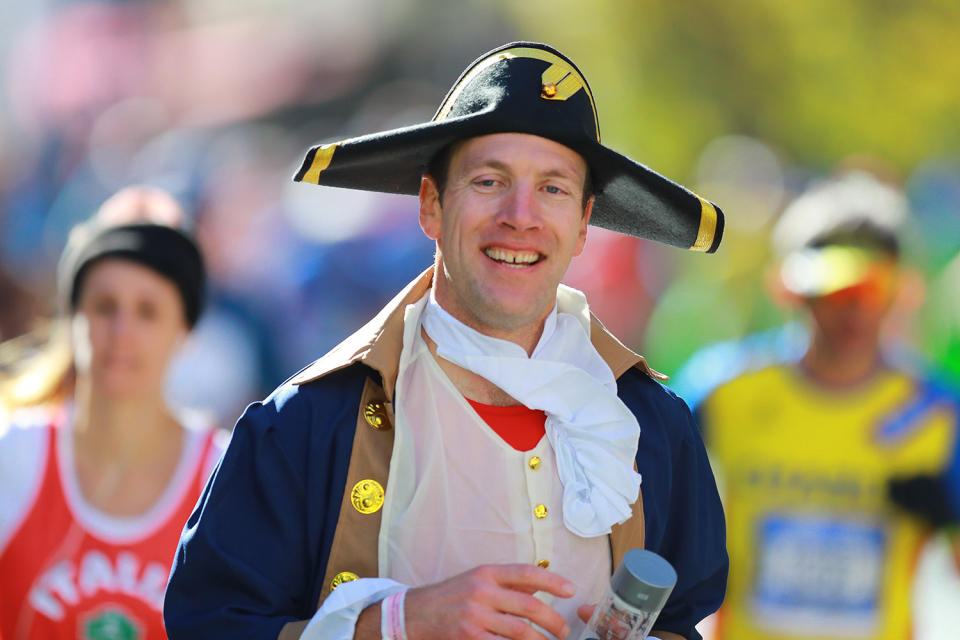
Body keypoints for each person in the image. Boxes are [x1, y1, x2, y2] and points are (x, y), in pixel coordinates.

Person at [163, 41, 728, 640]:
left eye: (553, 189)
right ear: (431, 206)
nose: (520, 215)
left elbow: (685, 619)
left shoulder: (652, 427)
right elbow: (209, 624)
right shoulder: (308, 424)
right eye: (489, 181)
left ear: (584, 224)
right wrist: (393, 624)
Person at [687, 172, 960, 639]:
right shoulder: (721, 390)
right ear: (789, 288)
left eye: (868, 290)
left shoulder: (939, 415)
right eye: (834, 290)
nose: (851, 311)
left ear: (903, 291)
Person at [0, 187, 225, 640]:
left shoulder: (224, 476)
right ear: (72, 319)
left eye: (148, 311)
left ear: (185, 331)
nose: (122, 332)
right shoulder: (14, 455)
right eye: (104, 307)